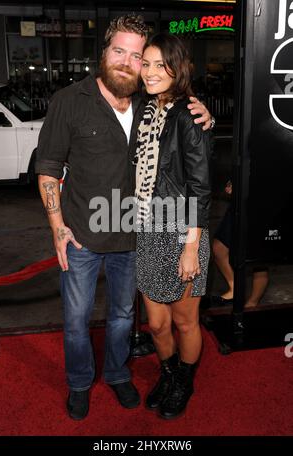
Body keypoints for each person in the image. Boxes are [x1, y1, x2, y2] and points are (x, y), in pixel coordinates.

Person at [35, 14, 213, 421]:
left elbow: (192, 165)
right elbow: (49, 169)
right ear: (104, 53)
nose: (131, 64)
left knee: (124, 318)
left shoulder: (152, 105)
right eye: (122, 52)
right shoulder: (70, 101)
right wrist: (57, 227)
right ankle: (80, 383)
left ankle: (119, 374)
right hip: (82, 234)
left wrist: (202, 112)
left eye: (140, 57)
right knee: (78, 321)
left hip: (140, 236)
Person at [135, 33, 212, 419]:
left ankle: (184, 380)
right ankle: (167, 374)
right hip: (148, 230)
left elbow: (200, 186)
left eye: (160, 64)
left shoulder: (188, 114)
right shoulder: (144, 112)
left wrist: (191, 245)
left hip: (183, 231)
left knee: (185, 321)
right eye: (145, 64)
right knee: (156, 323)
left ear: (177, 67)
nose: (150, 72)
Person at [212, 181, 269, 307]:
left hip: (263, 201)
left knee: (259, 258)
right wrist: (234, 183)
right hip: (239, 203)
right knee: (219, 247)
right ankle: (234, 289)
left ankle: (252, 303)